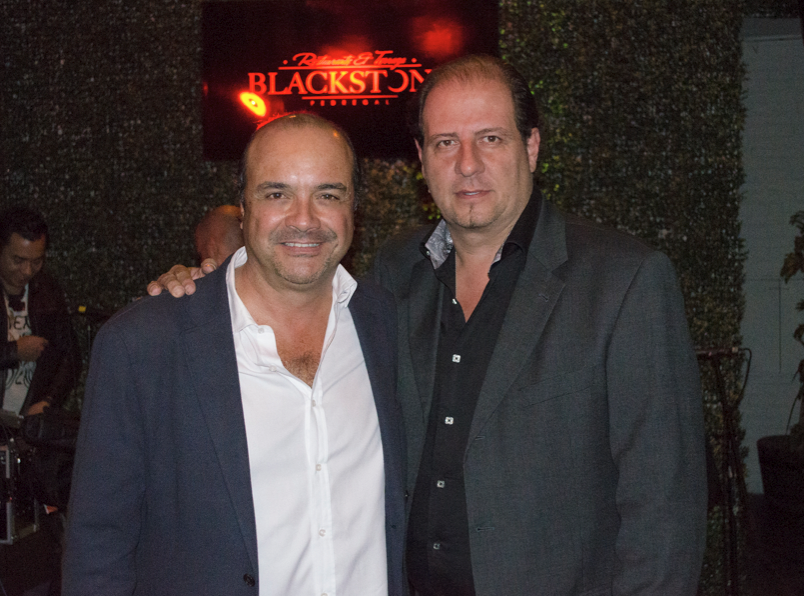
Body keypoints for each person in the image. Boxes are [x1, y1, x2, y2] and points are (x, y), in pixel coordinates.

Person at [149, 55, 708, 595]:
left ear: (532, 146)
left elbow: (666, 506)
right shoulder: (394, 275)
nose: (467, 164)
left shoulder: (624, 282)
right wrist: (205, 288)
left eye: (490, 138)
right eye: (445, 143)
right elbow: (287, 298)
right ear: (421, 157)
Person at [63, 113, 406, 596]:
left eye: (328, 194)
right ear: (243, 208)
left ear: (355, 208)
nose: (304, 219)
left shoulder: (387, 324)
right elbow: (97, 549)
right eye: (277, 194)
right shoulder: (144, 345)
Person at [0, 207, 79, 422]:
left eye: (37, 261)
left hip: (28, 429)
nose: (27, 271)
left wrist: (48, 401)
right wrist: (13, 352)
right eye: (18, 260)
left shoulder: (48, 291)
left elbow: (70, 356)